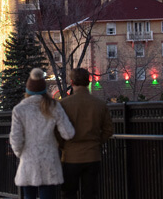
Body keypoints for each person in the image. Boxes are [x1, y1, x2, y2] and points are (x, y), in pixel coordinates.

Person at [10, 68, 75, 199]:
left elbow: (15, 139)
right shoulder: (54, 106)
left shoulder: (19, 109)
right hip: (49, 161)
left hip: (28, 161)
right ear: (44, 89)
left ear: (28, 91)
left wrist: (21, 154)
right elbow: (68, 133)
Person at [59, 68, 114, 199]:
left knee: (68, 193)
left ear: (72, 82)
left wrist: (63, 146)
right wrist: (96, 142)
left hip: (70, 156)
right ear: (88, 81)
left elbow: (56, 131)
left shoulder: (63, 104)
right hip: (92, 155)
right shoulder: (99, 104)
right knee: (90, 194)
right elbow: (108, 130)